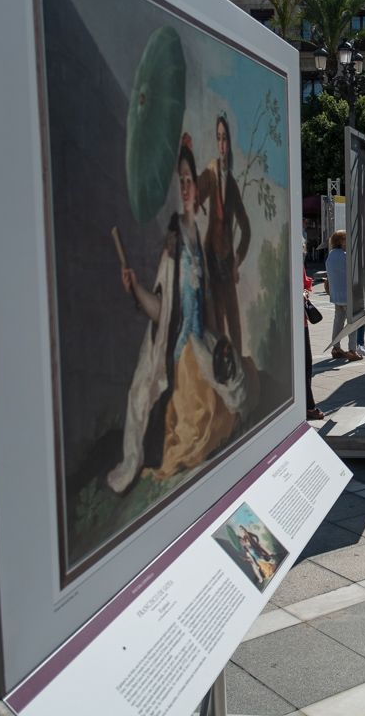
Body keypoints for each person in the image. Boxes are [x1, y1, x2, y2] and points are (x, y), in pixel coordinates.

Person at [109, 134, 255, 493]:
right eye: (182, 182)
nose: (188, 187)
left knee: (232, 381)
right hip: (182, 351)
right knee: (200, 418)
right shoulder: (175, 246)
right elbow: (162, 311)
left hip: (199, 339)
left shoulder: (196, 237)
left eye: (190, 180)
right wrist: (136, 289)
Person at [197, 114, 251, 355]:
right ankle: (221, 365)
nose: (221, 144)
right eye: (218, 138)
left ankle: (237, 363)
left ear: (228, 143)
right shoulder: (210, 172)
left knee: (233, 318)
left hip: (227, 259)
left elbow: (246, 227)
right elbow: (195, 195)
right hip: (211, 256)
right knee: (216, 315)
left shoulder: (231, 181)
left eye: (224, 139)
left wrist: (237, 259)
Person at [325, 230, 362, 362]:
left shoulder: (331, 255)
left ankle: (336, 348)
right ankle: (352, 350)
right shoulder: (346, 256)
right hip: (348, 295)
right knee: (352, 323)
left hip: (336, 295)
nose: (348, 240)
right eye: (346, 238)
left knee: (338, 322)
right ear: (341, 241)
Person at [303, 268, 325, 420]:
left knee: (305, 365)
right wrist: (303, 292)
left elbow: (305, 283)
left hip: (299, 322)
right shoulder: (292, 258)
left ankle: (306, 405)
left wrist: (305, 291)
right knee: (305, 365)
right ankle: (308, 407)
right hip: (297, 324)